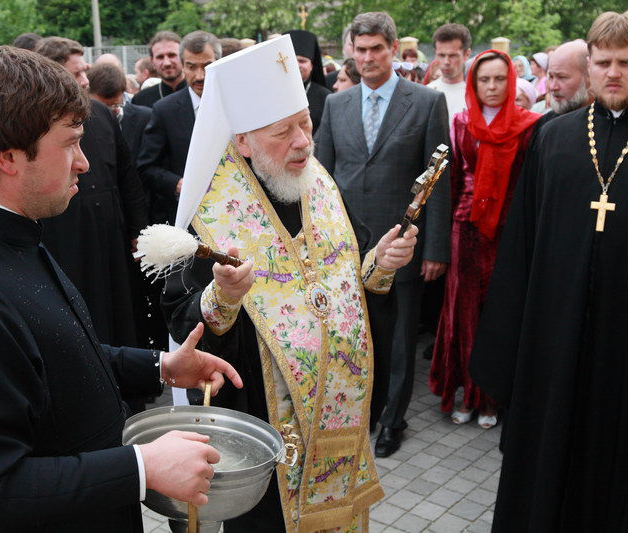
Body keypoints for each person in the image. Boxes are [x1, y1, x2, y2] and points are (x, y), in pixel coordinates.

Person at [0, 46, 243, 533]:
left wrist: (161, 368)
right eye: (70, 144)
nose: (84, 163)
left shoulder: (14, 235)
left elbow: (60, 358)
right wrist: (143, 468)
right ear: (8, 157)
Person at [162, 35, 418, 532]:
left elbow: (348, 283)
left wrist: (381, 264)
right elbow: (179, 312)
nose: (303, 141)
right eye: (284, 131)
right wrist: (223, 298)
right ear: (242, 141)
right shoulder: (209, 213)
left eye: (306, 124)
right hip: (264, 417)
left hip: (336, 414)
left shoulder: (317, 182)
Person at [469, 10, 628, 531]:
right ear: (589, 67)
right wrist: (507, 349)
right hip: (556, 340)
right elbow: (519, 248)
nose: (613, 73)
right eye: (603, 63)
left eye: (626, 62)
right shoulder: (553, 139)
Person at [316, 11, 450, 458]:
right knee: (354, 332)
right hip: (346, 244)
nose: (369, 57)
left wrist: (434, 249)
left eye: (378, 49)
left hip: (401, 245)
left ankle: (394, 418)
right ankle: (364, 410)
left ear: (394, 49)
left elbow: (440, 180)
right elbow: (322, 175)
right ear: (350, 52)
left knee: (399, 338)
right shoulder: (336, 104)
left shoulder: (427, 102)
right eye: (361, 49)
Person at [428, 50, 539, 430]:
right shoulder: (461, 123)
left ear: (512, 82)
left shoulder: (529, 126)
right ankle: (464, 393)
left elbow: (530, 188)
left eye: (499, 79)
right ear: (473, 84)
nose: (492, 87)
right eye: (484, 80)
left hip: (507, 234)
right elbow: (452, 182)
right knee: (462, 314)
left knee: (498, 315)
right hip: (465, 229)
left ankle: (490, 398)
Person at [35, 37, 148, 349]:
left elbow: (128, 176)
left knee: (121, 315)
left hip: (111, 236)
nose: (85, 81)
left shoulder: (99, 113)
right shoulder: (35, 124)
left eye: (84, 71)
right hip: (66, 238)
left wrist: (138, 230)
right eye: (76, 74)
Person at [137, 30, 221, 227]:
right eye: (191, 67)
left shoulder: (234, 103)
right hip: (187, 219)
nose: (199, 76)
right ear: (183, 65)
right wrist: (178, 184)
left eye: (207, 66)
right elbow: (146, 167)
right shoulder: (164, 110)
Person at [284, 30, 332, 133]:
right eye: (292, 60)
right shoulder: (271, 92)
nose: (296, 65)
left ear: (312, 66)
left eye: (302, 61)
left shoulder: (326, 97)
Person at [541, 39, 592, 127]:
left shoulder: (612, 120)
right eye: (551, 77)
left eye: (562, 77)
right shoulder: (545, 125)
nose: (553, 87)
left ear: (589, 75)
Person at [428, 23, 472, 124]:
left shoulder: (476, 95)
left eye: (453, 56)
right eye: (441, 55)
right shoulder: (426, 93)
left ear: (466, 54)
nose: (446, 62)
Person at [133, 31, 187, 108]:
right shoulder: (140, 100)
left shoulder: (200, 93)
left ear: (183, 57)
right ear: (152, 61)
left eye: (172, 55)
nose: (166, 63)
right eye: (160, 57)